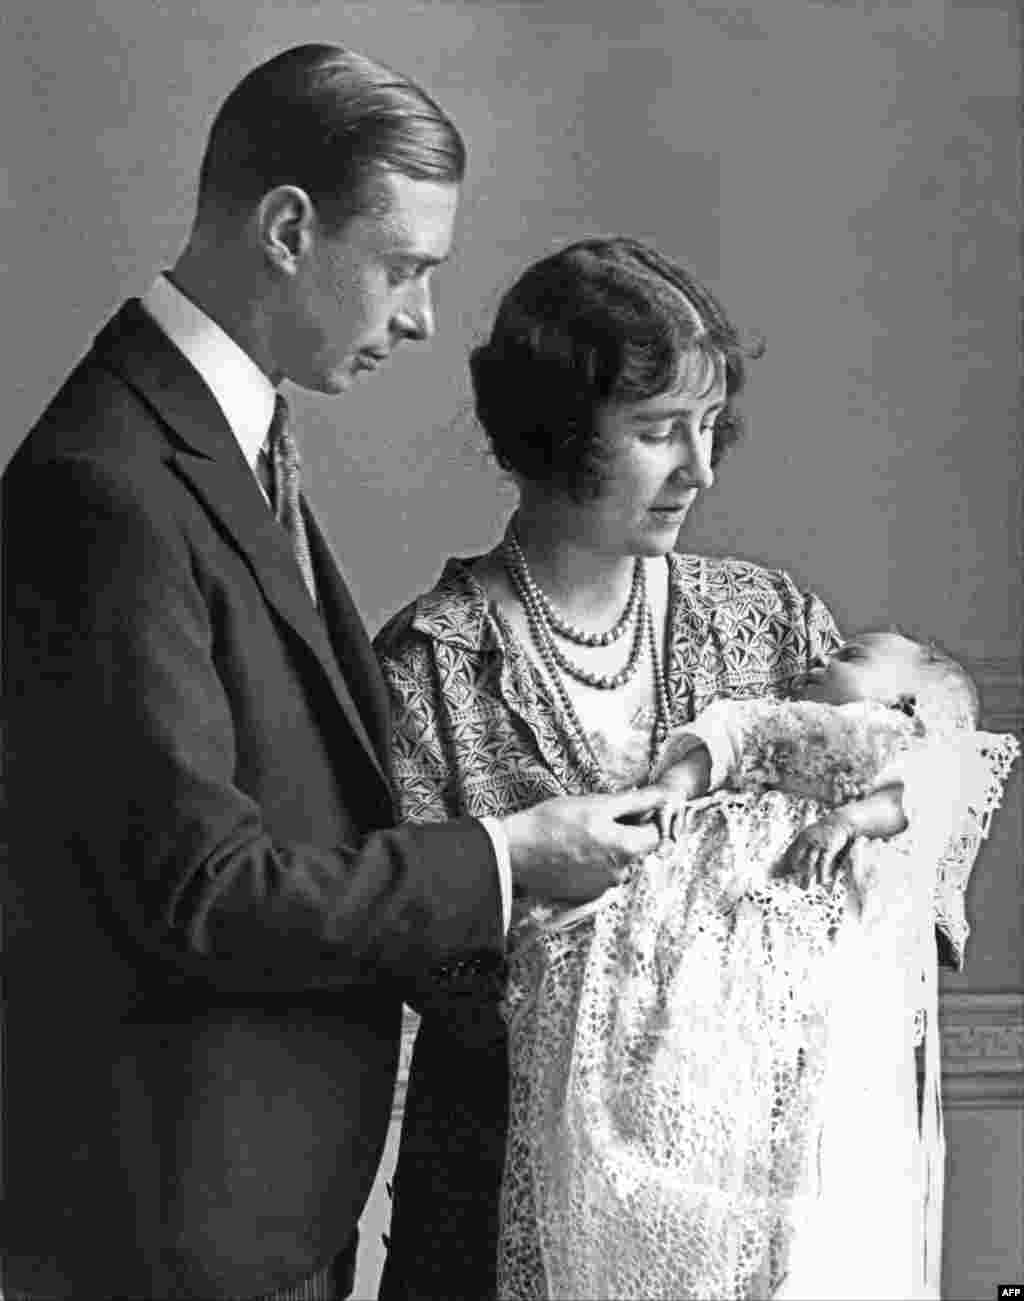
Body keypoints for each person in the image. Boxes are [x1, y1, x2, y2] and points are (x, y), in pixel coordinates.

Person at [0, 48, 666, 1301]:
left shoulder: (214, 443)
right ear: (291, 228)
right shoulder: (107, 484)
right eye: (405, 268)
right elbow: (201, 892)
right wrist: (506, 858)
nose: (417, 317)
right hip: (171, 1234)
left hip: (256, 1207)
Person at [374, 235, 846, 1301]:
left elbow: (908, 832)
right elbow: (405, 951)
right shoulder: (431, 667)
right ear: (555, 434)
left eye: (709, 425)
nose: (700, 468)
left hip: (747, 1224)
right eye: (656, 432)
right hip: (501, 1211)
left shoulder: (767, 623)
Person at [498, 630, 1018, 1299]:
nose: (819, 659)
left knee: (784, 1086)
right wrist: (672, 787)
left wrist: (845, 822)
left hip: (796, 902)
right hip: (708, 886)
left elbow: (906, 801)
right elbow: (726, 740)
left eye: (851, 658)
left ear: (908, 704)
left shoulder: (901, 744)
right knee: (656, 955)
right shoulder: (781, 717)